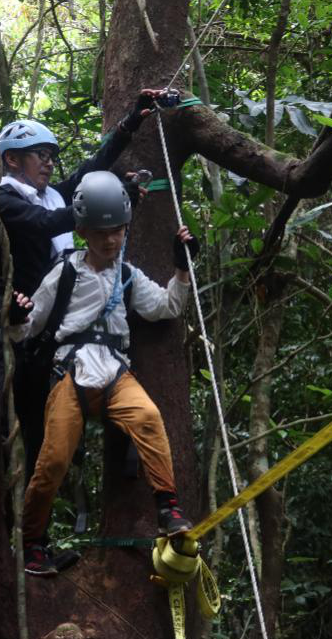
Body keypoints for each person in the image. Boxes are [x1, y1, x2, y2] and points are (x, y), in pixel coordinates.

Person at [10, 170, 200, 576]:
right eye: (100, 233)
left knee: (148, 418)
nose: (110, 239)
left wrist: (182, 269)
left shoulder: (127, 275)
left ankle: (168, 507)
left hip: (115, 371)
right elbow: (29, 328)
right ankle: (32, 542)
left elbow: (166, 306)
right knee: (54, 459)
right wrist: (16, 316)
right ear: (82, 231)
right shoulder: (64, 273)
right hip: (72, 371)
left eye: (116, 231)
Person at [0, 90, 167, 492]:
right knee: (9, 422)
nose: (48, 162)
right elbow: (46, 224)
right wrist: (113, 205)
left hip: (48, 326)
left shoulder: (48, 195)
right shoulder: (2, 200)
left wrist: (132, 120)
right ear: (12, 159)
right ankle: (10, 528)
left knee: (42, 427)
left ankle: (33, 541)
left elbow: (91, 168)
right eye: (39, 155)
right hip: (10, 324)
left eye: (50, 155)